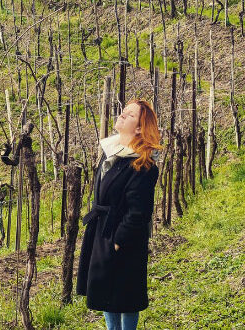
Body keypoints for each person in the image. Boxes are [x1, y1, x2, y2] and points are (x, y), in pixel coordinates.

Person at [76, 99, 162, 330]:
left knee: (125, 295)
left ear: (139, 128)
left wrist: (117, 241)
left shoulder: (142, 165)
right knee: (107, 292)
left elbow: (138, 212)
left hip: (123, 238)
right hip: (102, 231)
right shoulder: (111, 153)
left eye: (130, 115)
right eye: (123, 112)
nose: (122, 116)